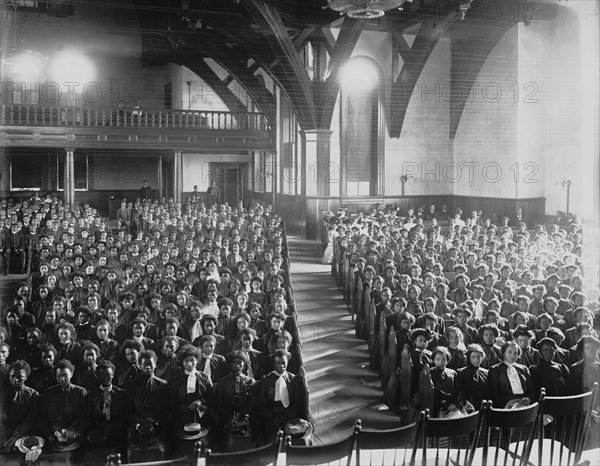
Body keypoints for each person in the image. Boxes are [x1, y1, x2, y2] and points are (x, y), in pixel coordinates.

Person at [125, 350, 170, 461]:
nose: (148, 367)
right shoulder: (132, 385)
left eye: (150, 364)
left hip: (158, 428)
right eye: (145, 365)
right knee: (132, 451)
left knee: (160, 449)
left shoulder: (162, 384)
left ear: (155, 365)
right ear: (139, 366)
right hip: (136, 427)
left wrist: (156, 423)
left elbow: (167, 410)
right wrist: (137, 423)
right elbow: (129, 410)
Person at [257, 349, 303, 446]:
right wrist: (272, 416)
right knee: (272, 441)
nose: (281, 366)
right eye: (278, 363)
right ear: (274, 363)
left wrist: (285, 416)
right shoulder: (266, 379)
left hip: (289, 416)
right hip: (271, 417)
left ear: (288, 362)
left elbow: (297, 403)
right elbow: (261, 404)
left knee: (297, 439)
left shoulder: (293, 379)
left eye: (284, 363)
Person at [214, 351, 257, 451]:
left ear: (244, 364)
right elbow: (219, 404)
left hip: (245, 416)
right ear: (230, 364)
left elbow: (252, 403)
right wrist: (228, 417)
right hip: (227, 417)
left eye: (240, 362)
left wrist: (243, 416)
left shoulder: (249, 381)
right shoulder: (223, 382)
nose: (237, 365)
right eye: (234, 363)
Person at [0, 360, 40, 453]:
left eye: (20, 377)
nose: (16, 380)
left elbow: (30, 420)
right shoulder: (3, 394)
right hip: (5, 433)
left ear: (26, 377)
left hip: (25, 433)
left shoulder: (33, 395)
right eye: (12, 376)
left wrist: (14, 438)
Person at [487, 341, 535, 408]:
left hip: (524, 404)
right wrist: (507, 405)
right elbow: (493, 394)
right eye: (510, 352)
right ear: (503, 353)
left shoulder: (524, 369)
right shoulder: (495, 369)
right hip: (505, 406)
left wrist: (528, 399)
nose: (512, 355)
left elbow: (531, 390)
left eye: (515, 353)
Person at [457, 344, 488, 411]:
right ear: (469, 358)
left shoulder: (486, 373)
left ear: (482, 357)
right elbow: (460, 393)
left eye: (478, 357)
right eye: (473, 357)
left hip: (483, 406)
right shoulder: (461, 373)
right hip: (467, 408)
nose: (476, 360)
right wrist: (465, 404)